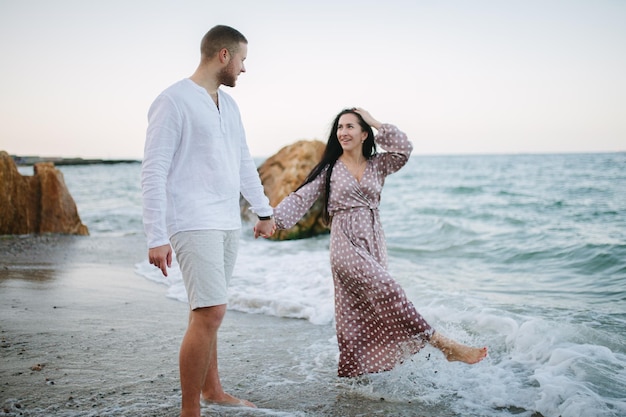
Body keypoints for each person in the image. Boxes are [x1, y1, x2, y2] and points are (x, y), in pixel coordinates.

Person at [273, 108, 487, 378]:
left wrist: (374, 121)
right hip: (344, 243)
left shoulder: (378, 164)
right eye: (340, 127)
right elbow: (302, 197)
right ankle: (445, 345)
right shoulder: (330, 168)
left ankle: (354, 374)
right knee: (388, 290)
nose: (343, 132)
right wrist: (274, 220)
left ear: (364, 134)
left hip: (374, 241)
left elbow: (404, 149)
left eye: (350, 126)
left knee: (358, 309)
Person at [141, 25, 275, 417]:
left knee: (206, 311)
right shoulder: (172, 101)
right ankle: (189, 410)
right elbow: (154, 171)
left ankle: (213, 390)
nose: (244, 69)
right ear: (223, 56)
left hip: (226, 222)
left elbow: (243, 162)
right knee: (212, 312)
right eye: (243, 60)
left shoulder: (229, 106)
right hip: (191, 220)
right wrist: (156, 234)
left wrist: (263, 210)